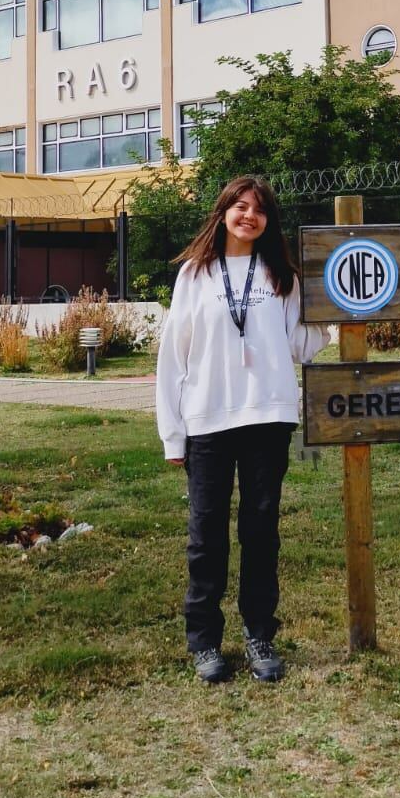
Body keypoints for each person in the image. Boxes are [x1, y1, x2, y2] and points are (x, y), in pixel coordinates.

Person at [156, 175, 329, 684]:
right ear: (224, 212)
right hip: (208, 420)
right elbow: (174, 358)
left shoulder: (283, 277)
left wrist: (336, 312)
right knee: (206, 535)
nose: (248, 215)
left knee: (260, 532)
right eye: (239, 206)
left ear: (268, 221)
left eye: (258, 209)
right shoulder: (195, 274)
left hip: (267, 418)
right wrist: (173, 434)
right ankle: (205, 642)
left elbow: (300, 346)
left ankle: (259, 635)